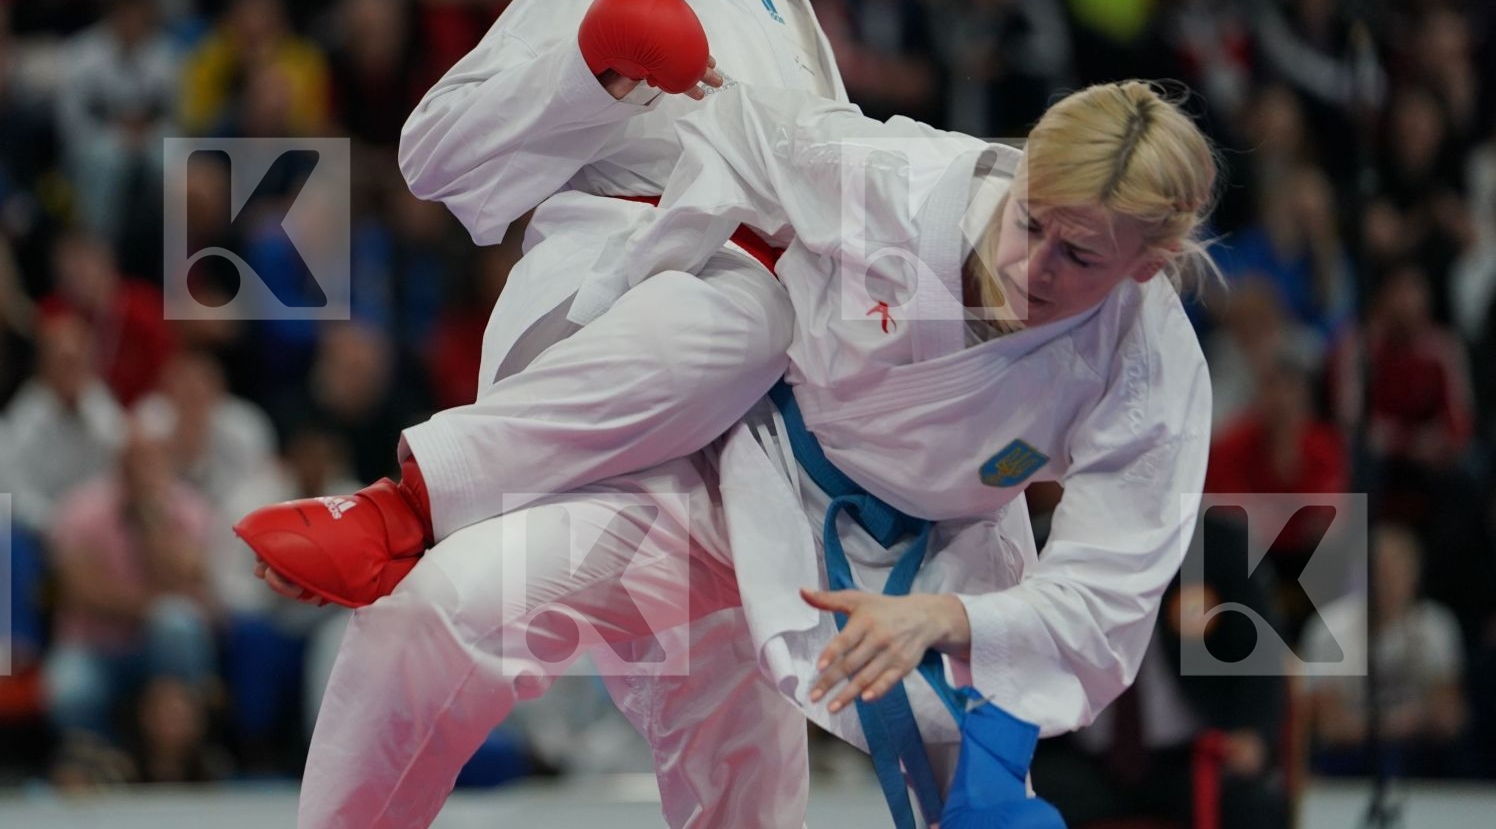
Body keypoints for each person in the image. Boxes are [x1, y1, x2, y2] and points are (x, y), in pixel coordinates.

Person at [245, 79, 1218, 828]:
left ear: (1150, 262)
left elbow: (1104, 599)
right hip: (729, 482)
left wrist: (946, 617)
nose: (1030, 266)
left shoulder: (1145, 369)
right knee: (441, 608)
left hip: (934, 570)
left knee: (973, 810)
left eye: (1079, 256)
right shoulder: (898, 181)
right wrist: (649, 298)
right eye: (1029, 222)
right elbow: (738, 132)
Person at [241, 0, 847, 605]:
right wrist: (592, 67)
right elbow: (430, 155)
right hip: (609, 314)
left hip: (736, 413)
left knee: (733, 726)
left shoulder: (800, 23)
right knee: (757, 311)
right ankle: (404, 505)